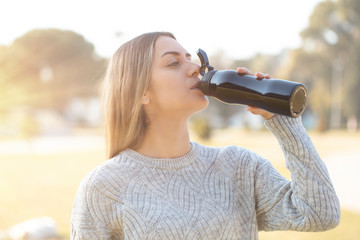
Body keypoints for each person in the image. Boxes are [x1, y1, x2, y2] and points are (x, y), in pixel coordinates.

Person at [70, 32, 340, 239]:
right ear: (140, 92)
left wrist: (280, 118)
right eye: (173, 63)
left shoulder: (238, 167)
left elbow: (320, 213)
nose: (193, 69)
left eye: (190, 58)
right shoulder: (103, 187)